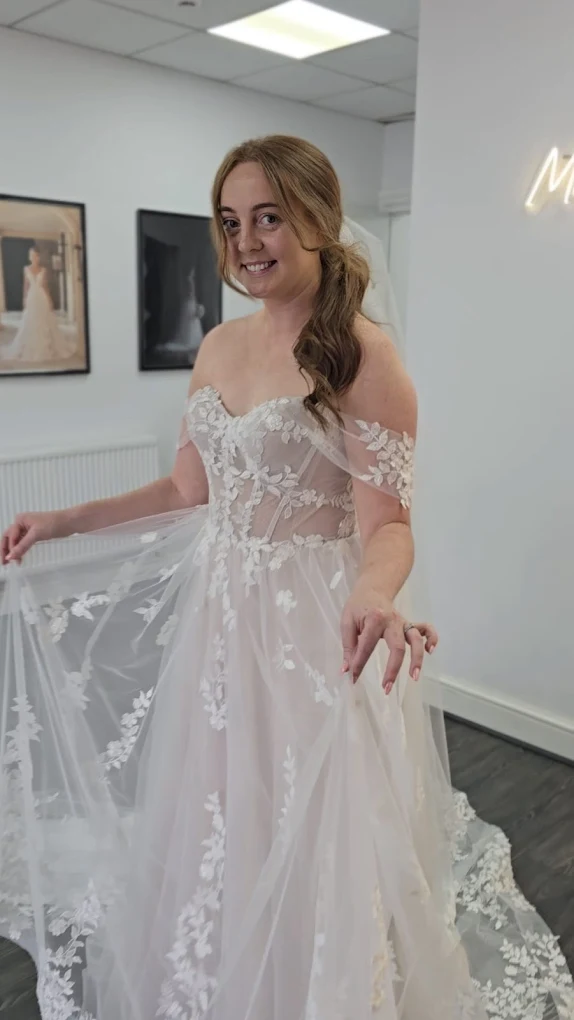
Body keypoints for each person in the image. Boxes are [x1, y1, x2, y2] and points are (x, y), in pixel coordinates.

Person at [0, 136, 571, 1019]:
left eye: (269, 217)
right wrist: (64, 522)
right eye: (231, 222)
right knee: (222, 813)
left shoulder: (361, 355)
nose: (248, 241)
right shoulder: (219, 345)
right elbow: (188, 490)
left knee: (312, 834)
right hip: (221, 622)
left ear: (318, 219)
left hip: (314, 629)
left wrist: (374, 592)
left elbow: (389, 526)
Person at [3, 245, 76, 363]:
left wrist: (50, 300)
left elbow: (45, 286)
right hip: (32, 297)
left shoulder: (43, 270)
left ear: (38, 257)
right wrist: (24, 299)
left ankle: (48, 346)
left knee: (44, 321)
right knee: (31, 321)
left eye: (36, 255)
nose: (34, 257)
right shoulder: (26, 268)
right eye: (31, 255)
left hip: (41, 297)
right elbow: (26, 286)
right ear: (29, 257)